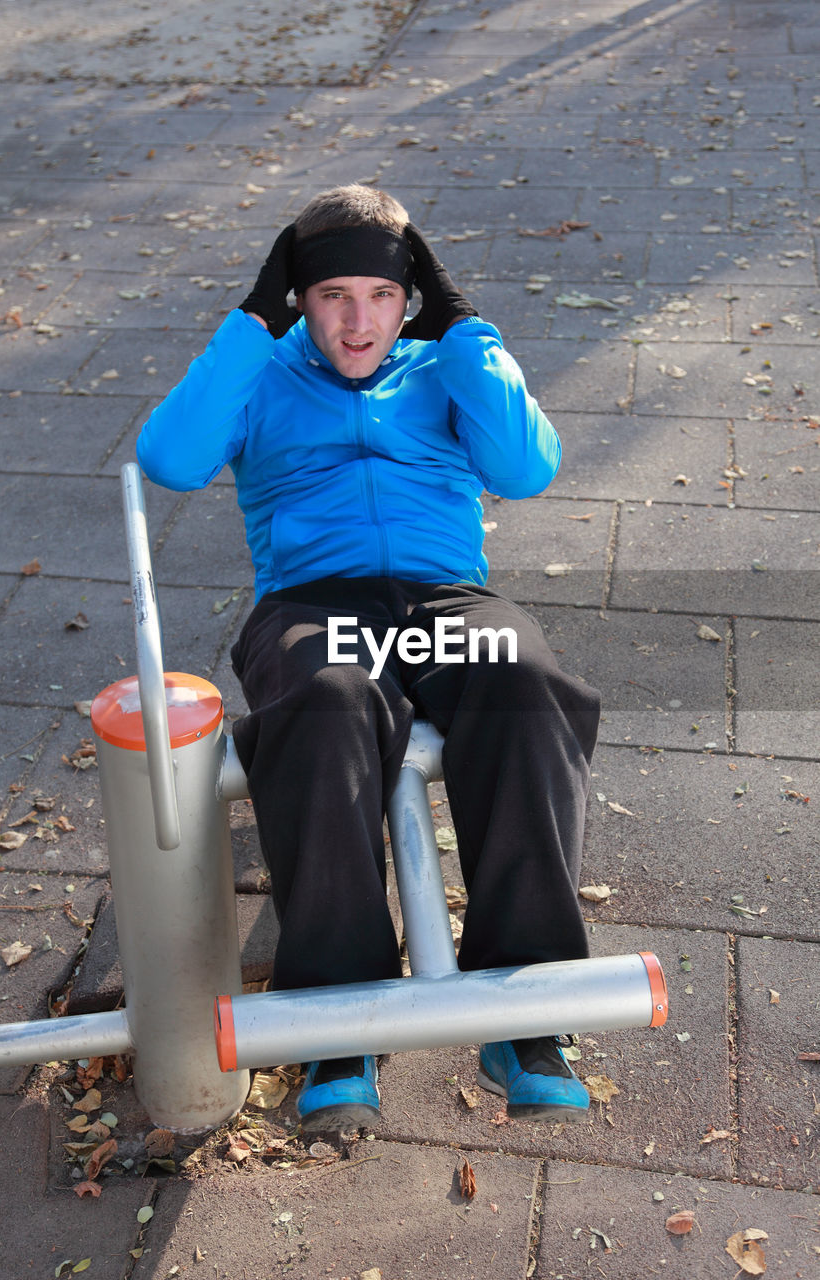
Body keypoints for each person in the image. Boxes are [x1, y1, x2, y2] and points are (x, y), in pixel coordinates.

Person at [137, 183, 601, 1134]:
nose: (359, 323)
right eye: (332, 295)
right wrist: (247, 323)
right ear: (298, 299)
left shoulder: (442, 369)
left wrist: (466, 326)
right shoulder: (262, 374)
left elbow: (525, 468)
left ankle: (526, 1012)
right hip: (311, 602)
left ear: (410, 299)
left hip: (445, 598)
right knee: (328, 701)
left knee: (524, 681)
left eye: (383, 297)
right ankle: (337, 1018)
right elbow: (170, 459)